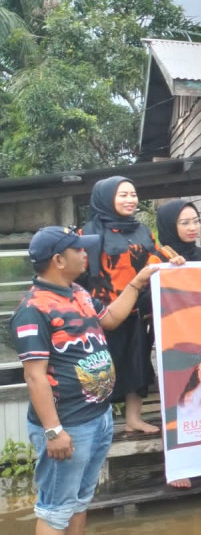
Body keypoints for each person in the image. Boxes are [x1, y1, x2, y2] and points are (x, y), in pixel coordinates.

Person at [12, 226, 159, 534]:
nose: (85, 254)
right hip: (68, 424)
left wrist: (137, 282)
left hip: (97, 417)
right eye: (78, 249)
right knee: (55, 510)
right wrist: (54, 431)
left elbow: (111, 319)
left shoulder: (79, 293)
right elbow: (34, 376)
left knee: (80, 501)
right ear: (58, 261)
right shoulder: (33, 309)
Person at [81, 176, 179, 434]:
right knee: (102, 367)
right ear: (106, 198)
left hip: (139, 309)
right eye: (123, 195)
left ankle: (133, 419)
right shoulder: (89, 232)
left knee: (138, 363)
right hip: (104, 311)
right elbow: (78, 271)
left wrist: (174, 260)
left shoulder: (143, 230)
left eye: (133, 194)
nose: (130, 200)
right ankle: (98, 424)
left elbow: (158, 256)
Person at [156, 199, 201, 488]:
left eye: (195, 221)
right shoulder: (157, 258)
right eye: (185, 222)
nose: (193, 227)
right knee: (175, 399)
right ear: (170, 226)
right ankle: (178, 465)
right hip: (172, 340)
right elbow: (147, 299)